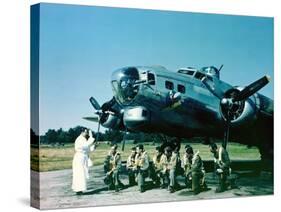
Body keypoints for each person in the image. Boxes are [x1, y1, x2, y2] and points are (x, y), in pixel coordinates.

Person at [72, 129, 96, 195]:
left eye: (87, 132)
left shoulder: (84, 139)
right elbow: (85, 146)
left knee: (82, 173)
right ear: (82, 132)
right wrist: (91, 138)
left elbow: (87, 150)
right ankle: (78, 189)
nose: (87, 134)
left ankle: (80, 189)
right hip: (79, 158)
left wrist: (94, 146)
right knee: (79, 174)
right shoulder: (79, 139)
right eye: (86, 132)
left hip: (83, 158)